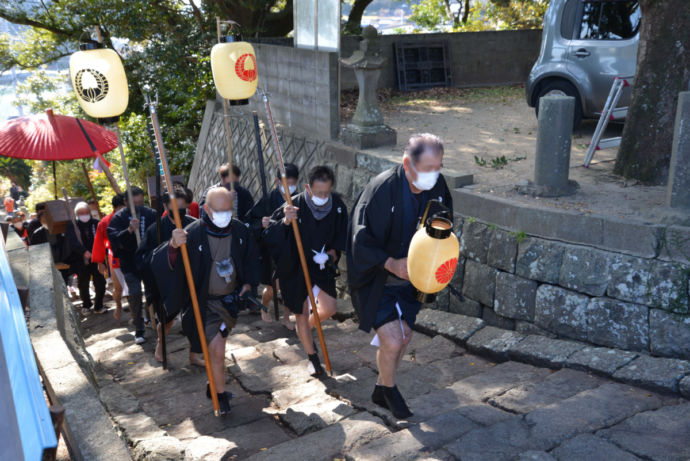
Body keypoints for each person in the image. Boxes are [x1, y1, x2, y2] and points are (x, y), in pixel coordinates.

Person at [347, 134, 452, 420]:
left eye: (438, 167)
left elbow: (443, 229)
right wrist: (391, 263)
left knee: (404, 338)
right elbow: (360, 241)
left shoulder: (438, 186)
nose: (434, 175)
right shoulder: (382, 189)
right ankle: (390, 391)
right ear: (407, 163)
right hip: (377, 278)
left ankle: (381, 388)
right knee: (392, 341)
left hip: (414, 280)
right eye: (428, 168)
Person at [152, 187, 259, 415]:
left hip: (229, 303)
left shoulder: (239, 230)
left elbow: (250, 260)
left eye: (228, 209)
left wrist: (248, 285)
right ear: (207, 209)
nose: (224, 214)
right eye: (219, 210)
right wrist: (172, 247)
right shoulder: (191, 234)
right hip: (203, 304)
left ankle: (213, 384)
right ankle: (220, 397)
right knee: (218, 349)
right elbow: (159, 262)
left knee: (218, 347)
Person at [264, 166, 348, 376]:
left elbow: (340, 239)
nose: (323, 196)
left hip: (320, 266)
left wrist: (330, 255)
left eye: (326, 192)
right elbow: (270, 236)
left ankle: (306, 332)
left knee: (329, 307)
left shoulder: (337, 205)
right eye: (318, 192)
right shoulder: (293, 205)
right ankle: (312, 358)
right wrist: (285, 222)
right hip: (295, 266)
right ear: (307, 187)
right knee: (300, 312)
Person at [137, 183, 202, 366]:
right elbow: (144, 259)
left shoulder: (195, 225)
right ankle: (160, 344)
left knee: (194, 317)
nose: (179, 212)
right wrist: (170, 248)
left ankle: (194, 354)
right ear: (165, 207)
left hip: (191, 281)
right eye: (175, 208)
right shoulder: (154, 230)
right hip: (165, 284)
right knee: (166, 320)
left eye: (183, 208)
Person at [245, 163, 300, 330]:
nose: (290, 187)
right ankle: (265, 305)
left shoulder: (300, 198)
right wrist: (261, 224)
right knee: (273, 286)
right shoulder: (268, 199)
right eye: (286, 183)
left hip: (292, 247)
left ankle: (286, 317)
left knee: (292, 285)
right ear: (278, 181)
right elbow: (250, 221)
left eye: (293, 183)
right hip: (273, 250)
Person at [107, 186, 157, 344]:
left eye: (141, 202)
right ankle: (139, 327)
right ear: (125, 201)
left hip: (148, 261)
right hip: (129, 263)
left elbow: (158, 233)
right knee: (135, 294)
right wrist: (128, 230)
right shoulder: (118, 218)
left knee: (153, 292)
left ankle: (152, 318)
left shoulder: (150, 214)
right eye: (134, 203)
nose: (138, 205)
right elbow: (114, 239)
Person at [66, 202, 107, 315]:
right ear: (77, 215)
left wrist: (98, 254)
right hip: (80, 259)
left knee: (100, 282)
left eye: (86, 212)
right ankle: (86, 305)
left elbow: (102, 240)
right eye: (81, 213)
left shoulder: (96, 224)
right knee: (83, 283)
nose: (84, 215)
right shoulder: (72, 225)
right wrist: (84, 252)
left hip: (97, 258)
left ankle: (98, 305)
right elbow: (73, 242)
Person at [92, 194, 128, 320]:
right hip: (115, 257)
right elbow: (99, 242)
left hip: (132, 255)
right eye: (122, 207)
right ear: (116, 207)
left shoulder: (132, 215)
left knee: (133, 287)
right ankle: (118, 305)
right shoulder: (105, 222)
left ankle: (136, 314)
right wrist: (100, 262)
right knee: (118, 288)